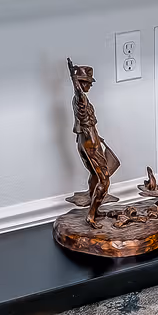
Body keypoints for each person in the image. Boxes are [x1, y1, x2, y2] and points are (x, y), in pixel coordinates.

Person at [65, 61, 120, 224]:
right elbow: (78, 91)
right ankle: (91, 214)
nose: (90, 86)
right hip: (90, 141)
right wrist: (73, 76)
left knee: (95, 175)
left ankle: (94, 208)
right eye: (87, 83)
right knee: (104, 180)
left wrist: (98, 136)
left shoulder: (79, 101)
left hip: (85, 139)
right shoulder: (80, 99)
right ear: (81, 83)